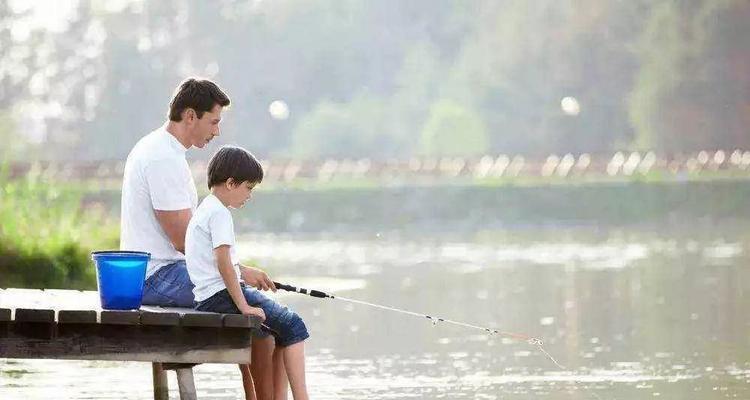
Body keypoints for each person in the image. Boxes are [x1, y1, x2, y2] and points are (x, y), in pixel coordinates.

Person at [119, 78, 278, 399]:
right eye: (214, 121)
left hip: (166, 272)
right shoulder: (162, 157)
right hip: (158, 277)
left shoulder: (162, 150)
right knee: (266, 322)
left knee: (255, 312)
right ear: (190, 115)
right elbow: (183, 241)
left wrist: (237, 271)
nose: (217, 131)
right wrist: (239, 271)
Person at [186, 145, 310, 400]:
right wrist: (244, 305)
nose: (249, 195)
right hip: (222, 295)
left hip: (208, 296)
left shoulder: (205, 209)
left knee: (276, 332)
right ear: (231, 183)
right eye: (249, 187)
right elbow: (223, 264)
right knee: (294, 326)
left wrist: (245, 278)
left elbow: (222, 264)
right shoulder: (219, 214)